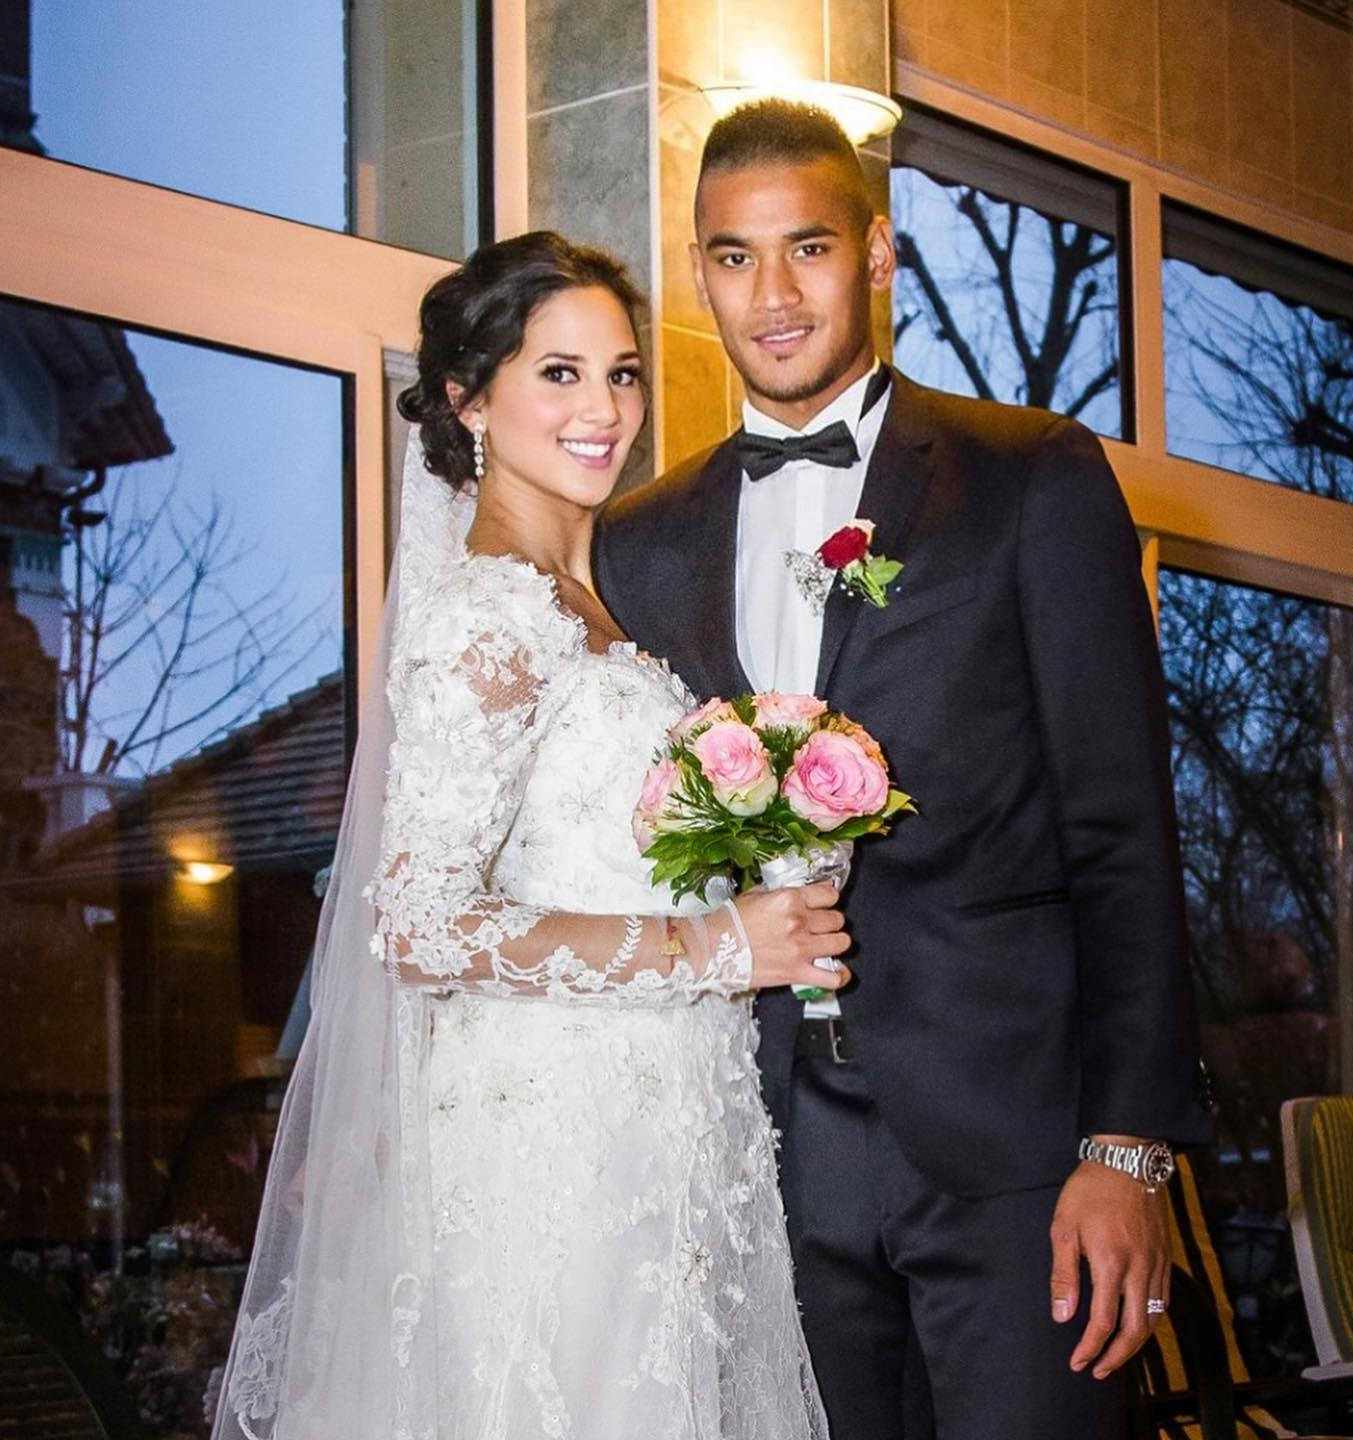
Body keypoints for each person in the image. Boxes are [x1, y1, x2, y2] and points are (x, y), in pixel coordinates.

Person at [594, 100, 1214, 1440]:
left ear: (876, 255)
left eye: (807, 249)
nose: (772, 295)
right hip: (760, 1160)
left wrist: (1125, 1150)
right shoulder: (635, 544)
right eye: (735, 257)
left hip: (1016, 1155)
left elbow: (1121, 828)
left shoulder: (1029, 478)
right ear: (698, 271)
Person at [211, 231, 846, 1440]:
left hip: (663, 1125)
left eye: (621, 371)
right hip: (555, 1144)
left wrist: (785, 847)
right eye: (558, 373)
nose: (604, 409)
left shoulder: (593, 604)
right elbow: (417, 922)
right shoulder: (490, 615)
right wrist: (714, 946)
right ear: (468, 398)